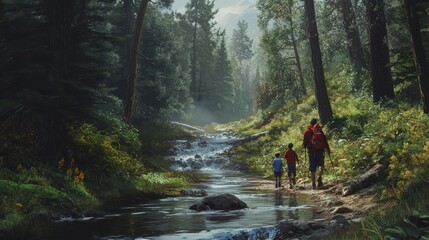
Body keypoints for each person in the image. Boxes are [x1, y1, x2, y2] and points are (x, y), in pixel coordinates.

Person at [302, 118, 330, 189]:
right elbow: (325, 141)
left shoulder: (307, 131)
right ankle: (319, 178)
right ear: (316, 123)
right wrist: (328, 149)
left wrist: (306, 146)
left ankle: (313, 184)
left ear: (310, 123)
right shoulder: (320, 131)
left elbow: (304, 143)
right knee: (321, 165)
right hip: (320, 150)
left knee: (313, 169)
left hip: (311, 152)